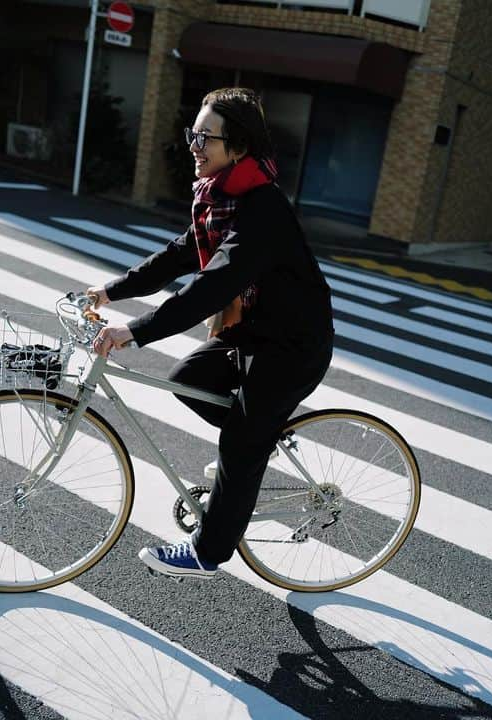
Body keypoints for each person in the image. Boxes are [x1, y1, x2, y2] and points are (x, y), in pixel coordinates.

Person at [87, 87, 334, 579]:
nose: (194, 146)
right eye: (193, 135)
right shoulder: (220, 199)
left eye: (206, 138)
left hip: (292, 346)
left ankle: (208, 552)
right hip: (252, 334)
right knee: (189, 379)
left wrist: (133, 332)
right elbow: (181, 254)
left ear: (237, 147)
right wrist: (110, 292)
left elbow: (212, 285)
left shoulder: (262, 209)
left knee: (242, 440)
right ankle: (247, 458)